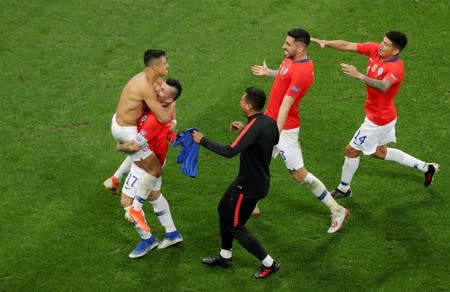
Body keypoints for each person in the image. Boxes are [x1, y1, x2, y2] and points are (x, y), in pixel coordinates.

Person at [310, 31, 439, 199]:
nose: (381, 45)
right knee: (379, 152)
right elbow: (349, 45)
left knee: (351, 150)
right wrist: (324, 42)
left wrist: (359, 75)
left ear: (395, 51)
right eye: (382, 41)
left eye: (386, 44)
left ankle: (343, 189)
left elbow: (384, 86)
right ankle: (427, 167)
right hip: (384, 115)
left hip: (378, 120)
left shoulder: (396, 67)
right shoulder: (375, 51)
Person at [251, 28, 349, 233]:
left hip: (284, 129)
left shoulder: (304, 72)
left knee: (299, 175)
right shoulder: (291, 60)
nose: (283, 46)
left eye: (287, 44)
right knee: (256, 160)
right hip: (272, 122)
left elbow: (286, 104)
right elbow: (284, 75)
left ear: (300, 47)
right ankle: (252, 204)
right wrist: (269, 72)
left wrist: (274, 133)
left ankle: (337, 209)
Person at [192, 87, 280, 279]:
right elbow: (274, 139)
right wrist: (246, 133)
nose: (240, 103)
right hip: (256, 180)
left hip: (248, 186)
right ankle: (225, 256)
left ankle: (269, 263)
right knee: (223, 210)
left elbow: (229, 151)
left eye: (242, 101)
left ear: (249, 106)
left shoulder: (253, 127)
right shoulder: (269, 122)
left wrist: (203, 140)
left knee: (235, 226)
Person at [116, 79, 183, 258]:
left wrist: (120, 146)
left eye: (162, 91)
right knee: (154, 195)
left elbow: (136, 146)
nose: (157, 90)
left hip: (146, 161)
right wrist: (173, 123)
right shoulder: (163, 103)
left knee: (126, 202)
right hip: (158, 155)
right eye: (160, 87)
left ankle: (147, 239)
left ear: (167, 100)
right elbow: (173, 102)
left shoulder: (154, 120)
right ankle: (172, 233)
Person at [103, 49, 175, 193]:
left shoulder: (151, 79)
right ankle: (132, 205)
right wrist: (174, 100)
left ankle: (115, 179)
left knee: (145, 147)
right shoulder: (146, 86)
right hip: (127, 131)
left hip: (123, 124)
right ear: (155, 67)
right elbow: (164, 117)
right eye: (165, 63)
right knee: (154, 169)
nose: (168, 65)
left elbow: (165, 96)